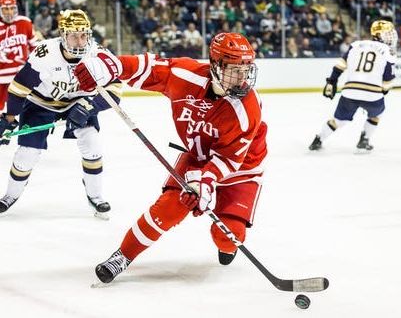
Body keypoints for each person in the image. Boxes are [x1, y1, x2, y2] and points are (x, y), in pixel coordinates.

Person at [73, 32, 268, 283]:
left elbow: (228, 159)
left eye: (246, 70)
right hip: (197, 155)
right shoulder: (187, 75)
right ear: (216, 66)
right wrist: (111, 65)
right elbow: (148, 68)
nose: (242, 80)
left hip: (242, 167)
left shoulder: (247, 108)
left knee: (228, 234)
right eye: (234, 71)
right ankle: (123, 255)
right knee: (168, 208)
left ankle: (226, 246)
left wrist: (205, 183)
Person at [0, 9, 122, 218]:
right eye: (74, 35)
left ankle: (96, 196)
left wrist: (89, 107)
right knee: (26, 155)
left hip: (79, 104)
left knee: (92, 146)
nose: (80, 41)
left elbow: (116, 90)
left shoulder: (98, 54)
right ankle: (9, 196)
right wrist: (9, 118)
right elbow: (20, 87)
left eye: (84, 35)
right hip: (41, 104)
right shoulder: (45, 53)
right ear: (63, 34)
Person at [308, 20, 397, 152]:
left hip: (350, 91)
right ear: (378, 35)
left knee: (338, 120)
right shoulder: (388, 51)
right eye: (387, 34)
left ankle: (318, 140)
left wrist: (332, 81)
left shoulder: (356, 45)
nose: (391, 37)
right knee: (377, 114)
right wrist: (385, 89)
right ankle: (364, 139)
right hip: (372, 95)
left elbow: (340, 65)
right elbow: (387, 80)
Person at [0, 0, 38, 111]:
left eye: (12, 8)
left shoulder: (25, 22)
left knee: (24, 110)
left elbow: (35, 48)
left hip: (21, 75)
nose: (9, 12)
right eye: (6, 9)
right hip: (1, 77)